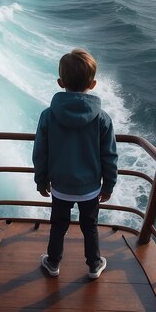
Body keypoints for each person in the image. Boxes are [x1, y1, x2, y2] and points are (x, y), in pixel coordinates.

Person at [32, 48, 118, 279]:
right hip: (90, 188)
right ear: (93, 84)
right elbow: (109, 156)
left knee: (58, 225)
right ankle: (93, 264)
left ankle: (53, 263)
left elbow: (40, 152)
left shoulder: (48, 116)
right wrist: (108, 185)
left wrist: (41, 181)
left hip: (60, 185)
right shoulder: (103, 119)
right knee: (89, 226)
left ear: (60, 82)